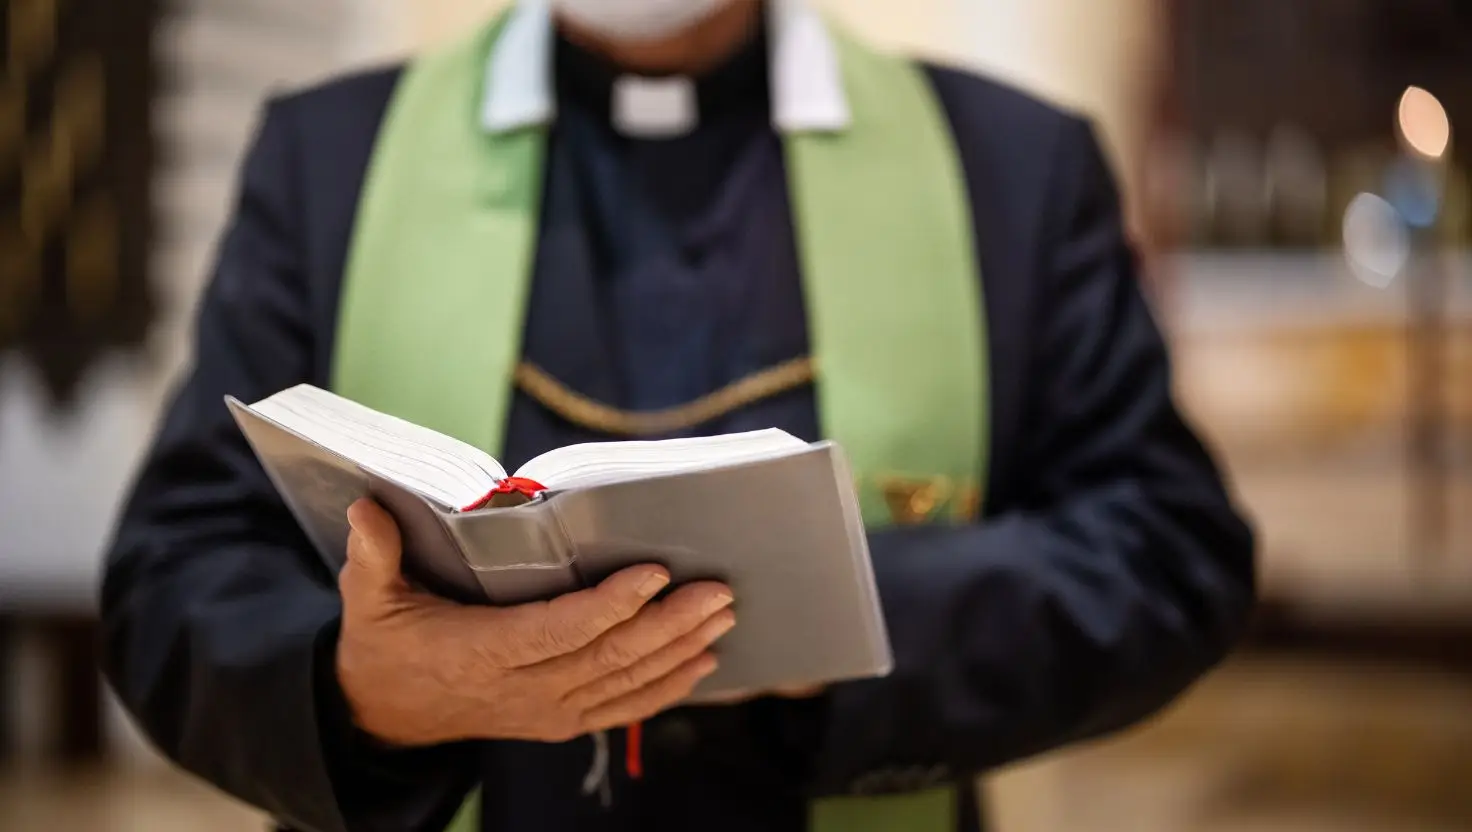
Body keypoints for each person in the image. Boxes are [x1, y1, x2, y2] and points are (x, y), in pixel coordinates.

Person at [100, 1, 1256, 831]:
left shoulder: (1006, 165)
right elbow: (176, 571)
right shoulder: (330, 159)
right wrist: (362, 688)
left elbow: (1167, 547)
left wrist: (842, 625)